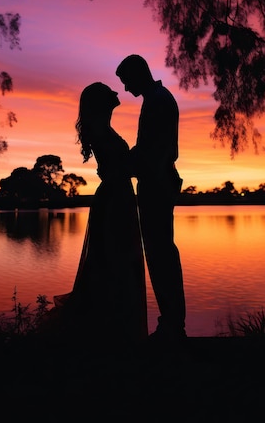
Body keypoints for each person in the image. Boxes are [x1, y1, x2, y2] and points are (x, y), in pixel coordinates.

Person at [45, 82, 148, 348]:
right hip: (114, 199)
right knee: (112, 258)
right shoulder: (101, 129)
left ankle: (116, 326)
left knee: (117, 259)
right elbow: (115, 168)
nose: (117, 93)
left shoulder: (105, 127)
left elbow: (117, 166)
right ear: (102, 102)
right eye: (110, 92)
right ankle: (110, 329)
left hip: (119, 197)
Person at [116, 55, 186, 344]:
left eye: (126, 81)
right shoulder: (156, 98)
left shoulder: (158, 100)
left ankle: (171, 324)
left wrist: (122, 164)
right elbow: (148, 148)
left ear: (138, 74)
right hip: (156, 184)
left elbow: (154, 150)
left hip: (156, 186)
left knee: (160, 254)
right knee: (160, 253)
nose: (125, 88)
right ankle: (170, 322)